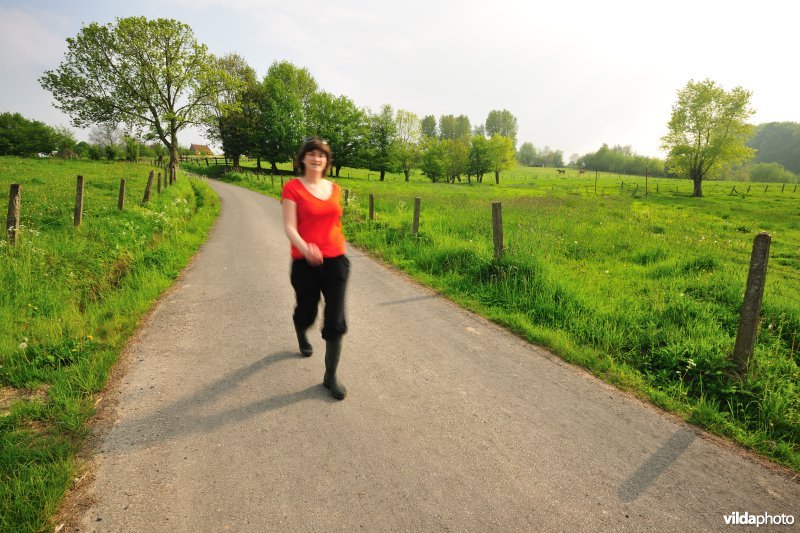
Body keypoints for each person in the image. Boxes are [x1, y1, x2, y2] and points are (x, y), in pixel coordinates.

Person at [281, 137, 350, 400]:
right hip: (304, 262)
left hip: (336, 261)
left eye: (321, 155)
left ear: (326, 161)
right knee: (307, 313)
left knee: (336, 320)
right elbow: (289, 226)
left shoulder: (334, 188)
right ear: (303, 159)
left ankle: (330, 376)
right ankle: (301, 331)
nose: (316, 158)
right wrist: (305, 247)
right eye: (311, 154)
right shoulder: (292, 188)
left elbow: (333, 222)